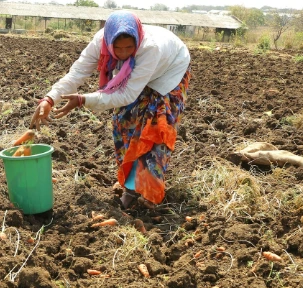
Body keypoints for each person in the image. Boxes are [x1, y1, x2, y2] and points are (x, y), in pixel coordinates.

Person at [30, 11, 190, 209]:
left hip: (169, 71)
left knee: (156, 128)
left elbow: (127, 94)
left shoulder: (150, 48)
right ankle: (130, 186)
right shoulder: (101, 42)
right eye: (118, 48)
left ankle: (149, 191)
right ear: (109, 42)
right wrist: (50, 98)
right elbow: (78, 73)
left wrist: (82, 100)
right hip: (137, 75)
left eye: (129, 48)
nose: (122, 53)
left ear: (137, 42)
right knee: (124, 122)